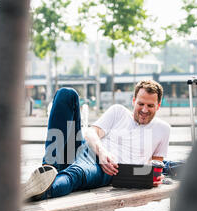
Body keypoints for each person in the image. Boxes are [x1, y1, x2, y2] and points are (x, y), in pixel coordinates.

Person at [22, 79, 171, 201]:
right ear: (133, 101)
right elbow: (91, 133)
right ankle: (49, 168)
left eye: (150, 105)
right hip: (89, 150)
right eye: (141, 104)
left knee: (76, 173)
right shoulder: (118, 111)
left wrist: (152, 174)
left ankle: (42, 190)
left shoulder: (163, 129)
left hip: (107, 170)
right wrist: (102, 152)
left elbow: (155, 164)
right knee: (66, 94)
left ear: (158, 105)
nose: (144, 110)